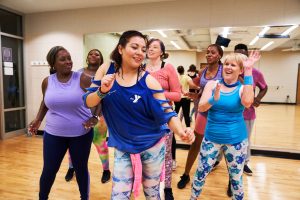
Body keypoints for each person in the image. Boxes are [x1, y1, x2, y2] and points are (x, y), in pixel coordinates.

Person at [83, 30, 195, 200]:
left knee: (152, 193)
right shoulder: (106, 69)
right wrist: (101, 91)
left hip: (151, 145)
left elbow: (167, 111)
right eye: (134, 47)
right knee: (119, 195)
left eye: (143, 49)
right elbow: (88, 102)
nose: (140, 53)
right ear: (120, 48)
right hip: (123, 146)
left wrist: (181, 132)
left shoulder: (148, 80)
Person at [29, 46, 97, 200]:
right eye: (63, 59)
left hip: (81, 134)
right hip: (53, 134)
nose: (68, 62)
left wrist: (95, 117)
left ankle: (84, 197)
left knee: (80, 169)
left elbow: (99, 99)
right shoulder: (47, 82)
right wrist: (38, 119)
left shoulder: (82, 78)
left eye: (69, 58)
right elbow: (45, 102)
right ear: (53, 64)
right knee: (49, 170)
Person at [190, 51, 260, 200]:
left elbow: (248, 102)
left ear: (240, 70)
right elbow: (201, 108)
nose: (228, 67)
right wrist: (213, 99)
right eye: (226, 64)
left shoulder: (242, 88)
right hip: (211, 139)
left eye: (233, 65)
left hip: (236, 141)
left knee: (236, 179)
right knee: (200, 173)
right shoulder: (212, 84)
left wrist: (248, 71)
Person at [177, 44, 223, 189]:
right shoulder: (202, 72)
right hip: (202, 111)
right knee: (196, 143)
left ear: (219, 56)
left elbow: (237, 86)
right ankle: (185, 174)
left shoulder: (224, 71)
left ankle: (231, 182)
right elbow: (202, 90)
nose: (209, 54)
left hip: (219, 113)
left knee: (223, 145)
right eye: (207, 52)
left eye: (213, 52)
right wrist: (194, 95)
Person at [225, 44, 268, 197]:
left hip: (247, 115)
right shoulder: (228, 72)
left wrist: (257, 98)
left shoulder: (255, 73)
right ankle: (231, 180)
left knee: (244, 144)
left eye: (244, 54)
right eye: (238, 54)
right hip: (231, 117)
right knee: (230, 148)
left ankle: (244, 165)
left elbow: (264, 87)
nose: (241, 57)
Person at [64, 49, 111, 184]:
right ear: (87, 57)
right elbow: (72, 93)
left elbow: (104, 97)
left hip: (99, 115)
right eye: (90, 53)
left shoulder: (105, 75)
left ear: (101, 59)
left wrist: (95, 116)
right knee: (73, 143)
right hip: (78, 115)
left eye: (97, 54)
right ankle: (71, 168)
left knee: (99, 143)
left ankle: (106, 170)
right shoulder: (78, 73)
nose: (93, 56)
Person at [145, 38, 181, 199]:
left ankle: (167, 188)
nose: (150, 49)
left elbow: (177, 95)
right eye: (148, 47)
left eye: (154, 47)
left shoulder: (168, 68)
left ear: (162, 52)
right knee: (145, 153)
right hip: (144, 118)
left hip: (164, 116)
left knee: (166, 155)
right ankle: (147, 186)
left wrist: (157, 93)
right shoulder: (140, 68)